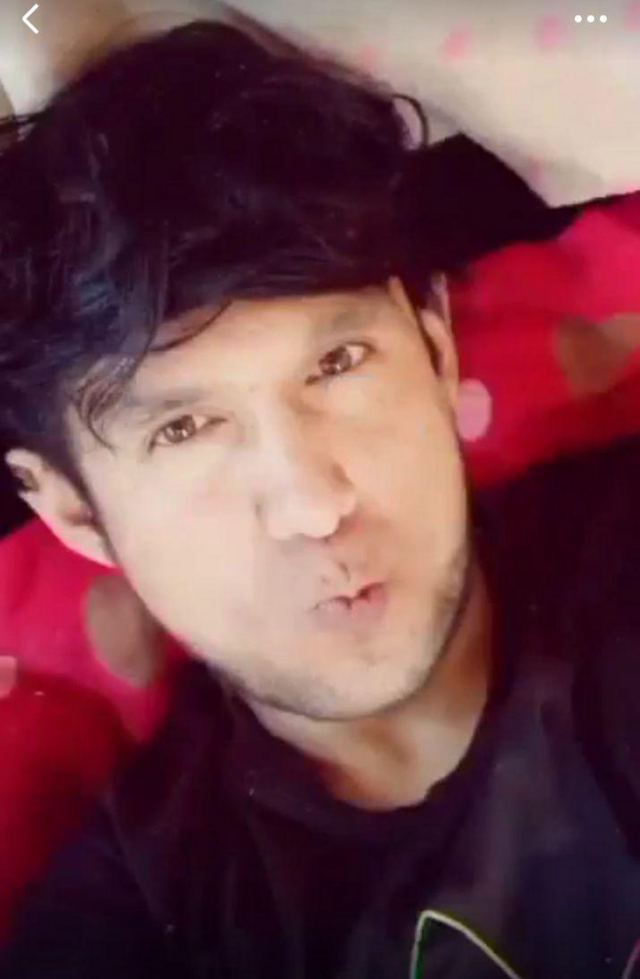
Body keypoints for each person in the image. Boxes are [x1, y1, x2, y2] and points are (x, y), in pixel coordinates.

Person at [0, 15, 639, 979]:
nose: (312, 504)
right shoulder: (133, 921)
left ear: (434, 348)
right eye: (184, 429)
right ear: (74, 512)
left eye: (339, 364)